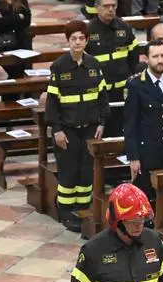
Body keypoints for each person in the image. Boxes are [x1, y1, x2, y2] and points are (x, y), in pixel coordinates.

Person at [45, 20, 109, 232]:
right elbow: (52, 103)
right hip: (68, 130)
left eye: (81, 38)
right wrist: (57, 130)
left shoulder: (93, 65)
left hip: (90, 129)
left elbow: (102, 98)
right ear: (68, 41)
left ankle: (82, 209)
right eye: (73, 39)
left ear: (87, 40)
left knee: (86, 171)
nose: (78, 42)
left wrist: (102, 122)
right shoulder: (59, 66)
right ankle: (65, 211)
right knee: (69, 172)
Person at [123, 40, 163, 199]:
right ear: (146, 59)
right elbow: (130, 124)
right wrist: (133, 157)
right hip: (147, 151)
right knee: (147, 195)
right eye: (155, 56)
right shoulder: (136, 84)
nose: (160, 60)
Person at [87, 0, 138, 135]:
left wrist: (130, 75)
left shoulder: (124, 27)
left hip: (122, 90)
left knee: (122, 129)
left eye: (113, 6)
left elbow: (134, 55)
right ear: (97, 8)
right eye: (106, 6)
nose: (110, 9)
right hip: (99, 92)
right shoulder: (88, 31)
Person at [0, 0, 32, 93]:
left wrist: (7, 19)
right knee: (15, 73)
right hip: (4, 45)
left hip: (22, 43)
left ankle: (18, 100)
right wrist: (18, 17)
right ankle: (11, 99)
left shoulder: (21, 1)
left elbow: (27, 20)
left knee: (23, 73)